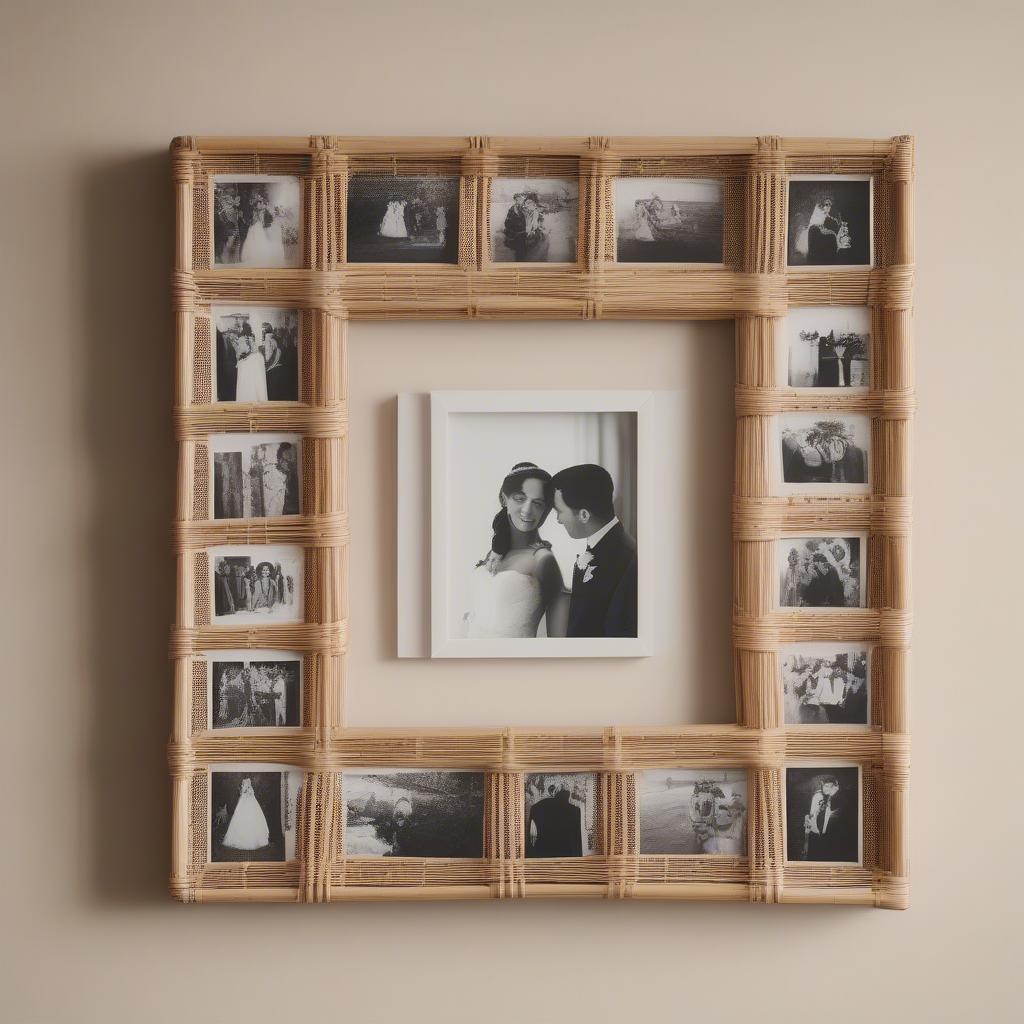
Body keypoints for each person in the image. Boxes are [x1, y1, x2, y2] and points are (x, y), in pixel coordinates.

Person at [462, 463, 566, 639]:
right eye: (520, 498)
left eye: (538, 503)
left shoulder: (543, 559)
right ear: (505, 499)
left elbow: (560, 641)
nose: (527, 510)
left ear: (546, 510)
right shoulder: (494, 553)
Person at [550, 465, 637, 638]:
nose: (558, 520)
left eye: (559, 511)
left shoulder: (625, 557)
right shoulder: (606, 545)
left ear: (584, 515)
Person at [802, 775, 855, 861]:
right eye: (823, 785)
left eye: (827, 786)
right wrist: (806, 840)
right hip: (816, 838)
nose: (824, 788)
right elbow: (810, 818)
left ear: (836, 786)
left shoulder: (843, 800)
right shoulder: (819, 796)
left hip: (834, 842)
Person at [528, 781, 583, 858]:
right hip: (566, 853)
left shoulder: (537, 807)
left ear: (554, 793)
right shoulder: (575, 811)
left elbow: (530, 836)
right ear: (568, 794)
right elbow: (577, 840)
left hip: (542, 852)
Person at [222, 778, 270, 851]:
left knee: (252, 820)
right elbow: (241, 794)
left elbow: (252, 795)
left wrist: (248, 792)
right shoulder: (243, 789)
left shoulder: (250, 789)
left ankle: (254, 840)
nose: (245, 784)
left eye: (247, 783)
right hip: (243, 804)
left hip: (250, 805)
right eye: (244, 783)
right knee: (241, 821)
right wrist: (244, 791)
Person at [240, 190, 286, 265]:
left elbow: (267, 218)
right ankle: (254, 257)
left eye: (261, 203)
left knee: (261, 239)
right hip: (255, 226)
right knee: (253, 240)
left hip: (259, 226)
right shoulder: (255, 210)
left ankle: (261, 257)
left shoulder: (264, 210)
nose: (261, 204)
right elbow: (254, 220)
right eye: (259, 203)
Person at [522, 194, 549, 260]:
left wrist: (535, 229)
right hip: (525, 233)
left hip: (532, 232)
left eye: (532, 203)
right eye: (527, 203)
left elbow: (536, 223)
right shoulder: (523, 211)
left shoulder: (536, 212)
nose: (528, 204)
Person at [502, 192, 529, 259]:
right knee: (518, 250)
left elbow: (528, 219)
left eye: (520, 200)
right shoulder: (512, 209)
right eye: (516, 200)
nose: (518, 201)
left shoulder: (525, 208)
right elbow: (507, 221)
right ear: (515, 200)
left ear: (522, 200)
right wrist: (511, 226)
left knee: (522, 249)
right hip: (515, 232)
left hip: (523, 232)